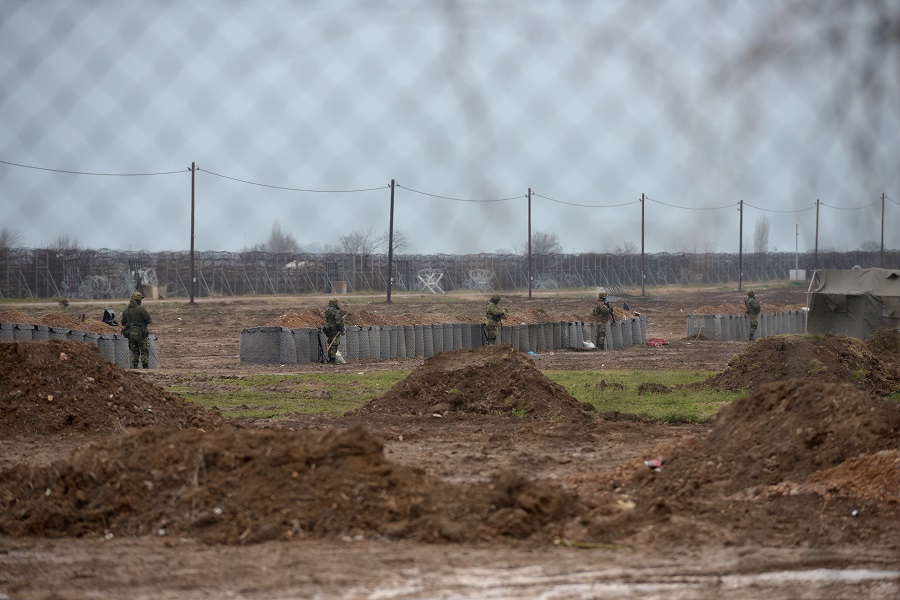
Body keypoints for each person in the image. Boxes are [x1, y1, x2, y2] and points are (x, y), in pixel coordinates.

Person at [121, 291, 152, 368]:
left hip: (131, 334)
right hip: (141, 333)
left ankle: (135, 367)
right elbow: (148, 320)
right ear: (138, 300)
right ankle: (145, 367)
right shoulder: (141, 309)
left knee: (134, 351)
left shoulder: (126, 310)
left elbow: (123, 322)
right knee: (144, 351)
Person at [323, 299, 346, 363]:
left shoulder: (327, 310)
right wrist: (341, 330)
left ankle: (329, 357)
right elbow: (338, 322)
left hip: (328, 328)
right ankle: (332, 358)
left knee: (330, 342)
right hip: (334, 329)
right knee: (334, 344)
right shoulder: (335, 311)